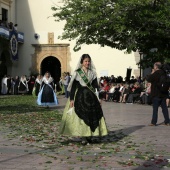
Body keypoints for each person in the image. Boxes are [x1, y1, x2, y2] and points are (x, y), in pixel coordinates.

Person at [60, 54, 108, 145]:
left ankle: (89, 135)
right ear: (82, 62)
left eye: (88, 61)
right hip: (80, 96)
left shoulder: (92, 73)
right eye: (85, 61)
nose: (87, 63)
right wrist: (71, 99)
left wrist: (99, 97)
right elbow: (74, 87)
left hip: (91, 96)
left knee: (91, 115)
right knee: (82, 116)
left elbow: (95, 87)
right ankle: (83, 136)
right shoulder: (78, 73)